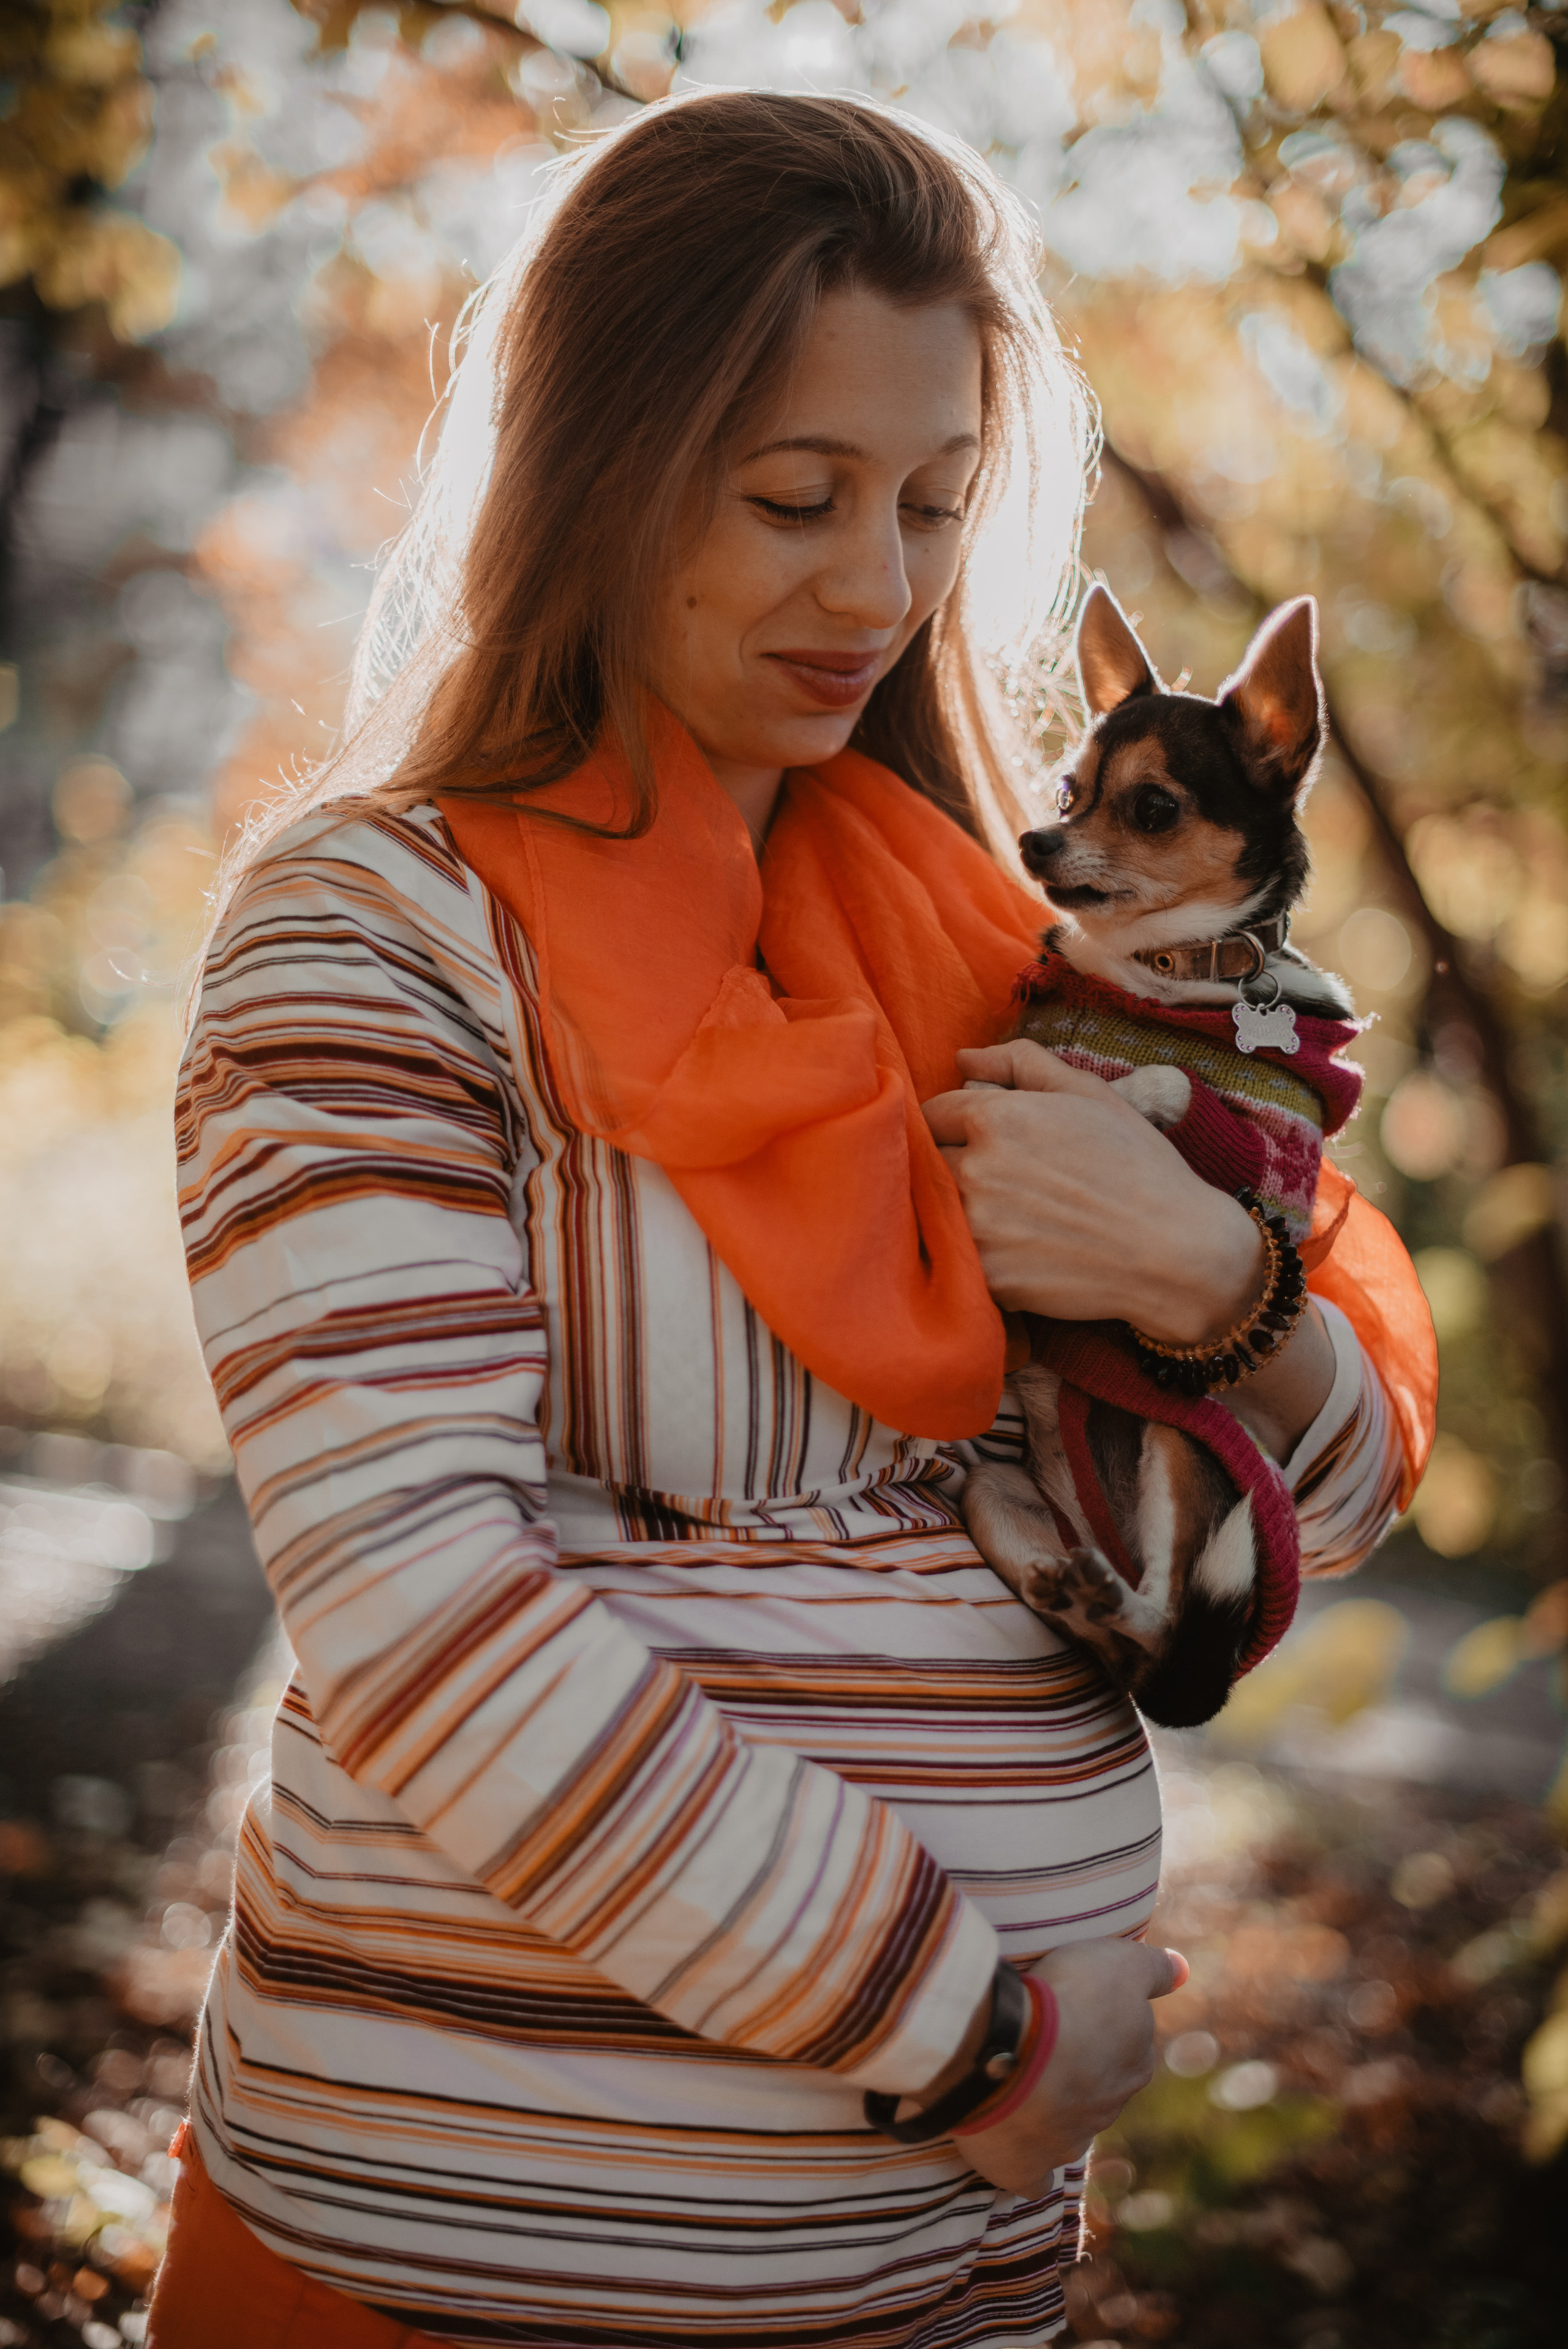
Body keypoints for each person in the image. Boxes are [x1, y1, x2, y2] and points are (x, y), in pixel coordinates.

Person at [150, 90, 1434, 2348]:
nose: (880, 588)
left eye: (937, 505)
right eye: (793, 497)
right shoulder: (375, 936)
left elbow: (1310, 1497)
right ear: (599, 472)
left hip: (942, 2285)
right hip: (476, 2253)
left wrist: (1198, 1276)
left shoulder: (1021, 957)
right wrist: (976, 2032)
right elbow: (425, 1612)